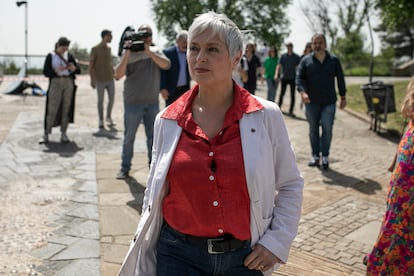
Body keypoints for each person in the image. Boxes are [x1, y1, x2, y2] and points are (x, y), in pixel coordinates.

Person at [118, 11, 303, 276]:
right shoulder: (168, 120)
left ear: (236, 59)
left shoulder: (265, 116)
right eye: (194, 48)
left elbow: (290, 184)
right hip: (177, 256)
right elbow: (155, 190)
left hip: (245, 258)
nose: (199, 57)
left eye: (212, 49)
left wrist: (277, 241)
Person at [363, 79, 414, 275]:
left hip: (407, 170)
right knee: (397, 219)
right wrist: (394, 163)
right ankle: (382, 259)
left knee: (400, 222)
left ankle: (384, 258)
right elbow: (406, 124)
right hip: (406, 170)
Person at [114, 24, 170, 179]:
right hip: (132, 103)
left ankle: (153, 169)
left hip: (152, 103)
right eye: (142, 35)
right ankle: (125, 168)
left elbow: (166, 64)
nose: (146, 37)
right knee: (128, 138)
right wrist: (126, 52)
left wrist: (148, 51)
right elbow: (118, 75)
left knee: (153, 139)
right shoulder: (129, 54)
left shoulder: (155, 51)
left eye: (148, 34)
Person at [296, 33, 346, 169]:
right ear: (312, 45)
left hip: (329, 101)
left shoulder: (334, 60)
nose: (317, 45)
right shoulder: (306, 61)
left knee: (327, 128)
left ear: (325, 44)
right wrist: (303, 92)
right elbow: (299, 79)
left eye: (320, 43)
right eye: (315, 43)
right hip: (311, 102)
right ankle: (315, 155)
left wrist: (343, 96)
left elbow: (340, 79)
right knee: (313, 129)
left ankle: (325, 156)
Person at [41, 37, 80, 144]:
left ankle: (64, 133)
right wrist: (56, 71)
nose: (65, 50)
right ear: (58, 45)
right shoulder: (51, 56)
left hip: (68, 82)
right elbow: (46, 72)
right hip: (56, 82)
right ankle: (46, 133)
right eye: (63, 47)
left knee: (66, 108)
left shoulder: (69, 56)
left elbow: (78, 70)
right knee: (52, 108)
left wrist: (73, 69)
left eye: (66, 47)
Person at [89, 29, 116, 129]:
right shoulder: (95, 49)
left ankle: (108, 117)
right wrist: (92, 79)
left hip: (110, 78)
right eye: (109, 36)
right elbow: (91, 65)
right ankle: (101, 120)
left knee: (112, 99)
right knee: (100, 101)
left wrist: (114, 72)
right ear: (104, 36)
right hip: (99, 79)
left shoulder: (109, 49)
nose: (111, 38)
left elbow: (110, 63)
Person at [160, 30, 191, 106]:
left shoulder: (189, 53)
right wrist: (162, 88)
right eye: (184, 42)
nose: (186, 44)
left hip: (185, 89)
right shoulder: (167, 53)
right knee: (170, 114)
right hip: (171, 90)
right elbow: (162, 72)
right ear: (177, 41)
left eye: (187, 42)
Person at [274, 42, 300, 117]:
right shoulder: (283, 56)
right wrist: (276, 74)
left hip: (293, 78)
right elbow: (278, 65)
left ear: (292, 47)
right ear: (286, 47)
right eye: (288, 46)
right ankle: (278, 109)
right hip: (284, 77)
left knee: (292, 95)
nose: (289, 47)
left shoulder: (296, 57)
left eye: (290, 46)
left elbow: (300, 67)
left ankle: (291, 111)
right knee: (282, 93)